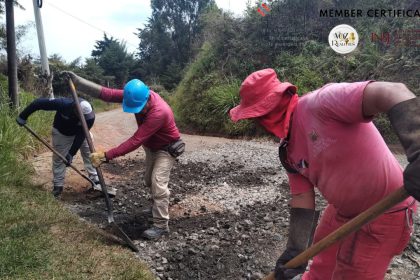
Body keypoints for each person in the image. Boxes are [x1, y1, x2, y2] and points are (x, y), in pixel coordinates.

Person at [229, 68, 419, 280]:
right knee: (319, 267)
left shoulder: (322, 103)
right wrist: (295, 251)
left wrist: (418, 150)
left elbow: (393, 92)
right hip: (342, 210)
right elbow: (302, 198)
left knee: (352, 274)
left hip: (386, 211)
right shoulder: (287, 150)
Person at [62, 71, 185, 240]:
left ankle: (161, 225)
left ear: (147, 99)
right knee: (148, 180)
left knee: (158, 183)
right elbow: (106, 93)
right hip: (151, 148)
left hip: (167, 149)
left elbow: (135, 140)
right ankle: (157, 206)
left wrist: (106, 155)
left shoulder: (159, 112)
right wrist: (78, 81)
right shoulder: (135, 95)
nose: (138, 111)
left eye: (140, 108)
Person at [16, 97, 99, 198]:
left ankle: (96, 181)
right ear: (75, 110)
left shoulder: (90, 116)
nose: (85, 118)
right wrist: (22, 116)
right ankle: (58, 187)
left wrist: (71, 154)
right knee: (59, 159)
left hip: (81, 133)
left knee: (89, 153)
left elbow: (81, 135)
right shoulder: (63, 103)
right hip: (61, 133)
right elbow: (38, 103)